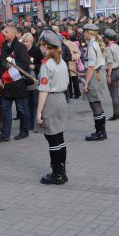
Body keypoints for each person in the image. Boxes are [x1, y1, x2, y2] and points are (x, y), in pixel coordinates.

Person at [35, 31, 69, 185]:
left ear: (46, 46)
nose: (40, 48)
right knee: (59, 138)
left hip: (51, 100)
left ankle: (57, 174)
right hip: (61, 98)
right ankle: (61, 170)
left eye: (41, 45)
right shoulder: (61, 62)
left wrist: (39, 111)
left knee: (52, 139)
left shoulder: (46, 64)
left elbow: (43, 91)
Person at [0, 24, 31, 143]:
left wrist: (12, 70)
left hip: (18, 83)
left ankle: (24, 131)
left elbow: (25, 64)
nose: (3, 34)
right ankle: (5, 134)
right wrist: (0, 77)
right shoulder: (4, 46)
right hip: (7, 84)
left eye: (6, 32)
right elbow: (1, 64)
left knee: (22, 109)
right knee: (5, 110)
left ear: (13, 34)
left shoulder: (20, 47)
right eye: (3, 32)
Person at [83, 24, 109, 141]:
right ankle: (101, 131)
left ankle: (100, 133)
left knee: (94, 104)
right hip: (98, 74)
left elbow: (91, 67)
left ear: (89, 33)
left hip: (94, 76)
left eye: (84, 31)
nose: (83, 33)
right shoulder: (95, 44)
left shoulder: (92, 45)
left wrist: (86, 83)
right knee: (97, 104)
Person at [22, 33, 43, 130]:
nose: (25, 43)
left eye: (27, 41)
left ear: (31, 42)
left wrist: (35, 66)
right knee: (27, 103)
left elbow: (42, 64)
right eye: (24, 41)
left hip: (34, 79)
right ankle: (29, 123)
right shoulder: (22, 51)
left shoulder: (36, 51)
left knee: (35, 102)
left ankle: (35, 124)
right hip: (24, 79)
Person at [103, 29, 119, 120]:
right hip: (117, 70)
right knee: (116, 94)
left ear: (107, 38)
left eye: (105, 37)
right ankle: (117, 113)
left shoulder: (109, 48)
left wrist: (108, 75)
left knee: (114, 95)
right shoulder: (116, 46)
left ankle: (116, 115)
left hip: (113, 71)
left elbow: (110, 63)